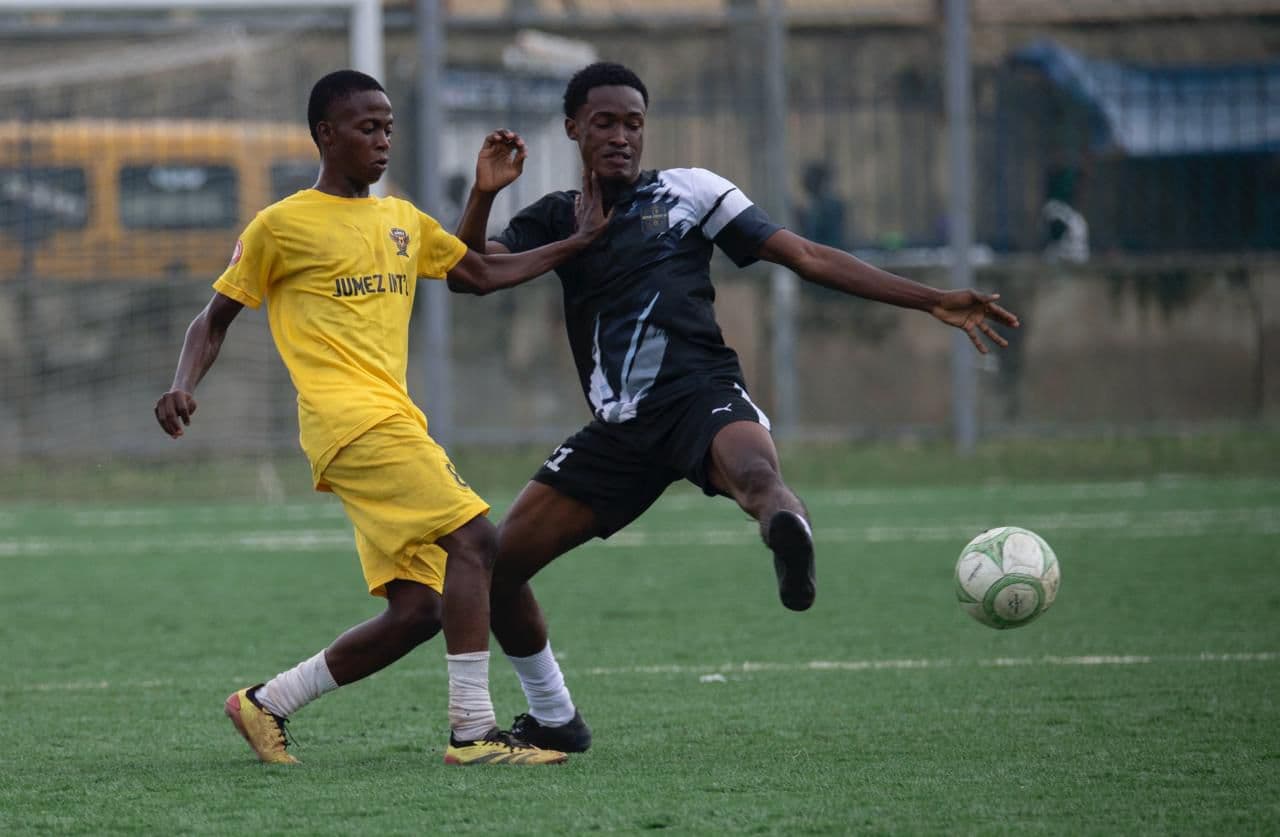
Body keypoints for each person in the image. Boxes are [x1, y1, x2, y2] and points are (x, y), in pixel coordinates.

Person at [452, 62, 1020, 753]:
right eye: (605, 122)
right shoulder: (551, 216)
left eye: (634, 122)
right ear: (573, 128)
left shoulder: (691, 192)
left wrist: (930, 298)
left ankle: (788, 535)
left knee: (758, 479)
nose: (622, 136)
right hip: (620, 429)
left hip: (700, 394)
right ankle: (554, 717)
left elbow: (805, 255)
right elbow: (468, 273)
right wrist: (483, 196)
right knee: (497, 567)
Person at [153, 69, 607, 766]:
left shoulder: (399, 217)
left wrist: (488, 196)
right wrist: (182, 383)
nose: (383, 139)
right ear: (325, 134)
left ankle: (267, 701)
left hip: (393, 422)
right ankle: (473, 734)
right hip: (350, 423)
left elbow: (474, 273)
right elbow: (212, 319)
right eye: (368, 127)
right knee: (478, 542)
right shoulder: (281, 224)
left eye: (389, 126)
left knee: (422, 607)